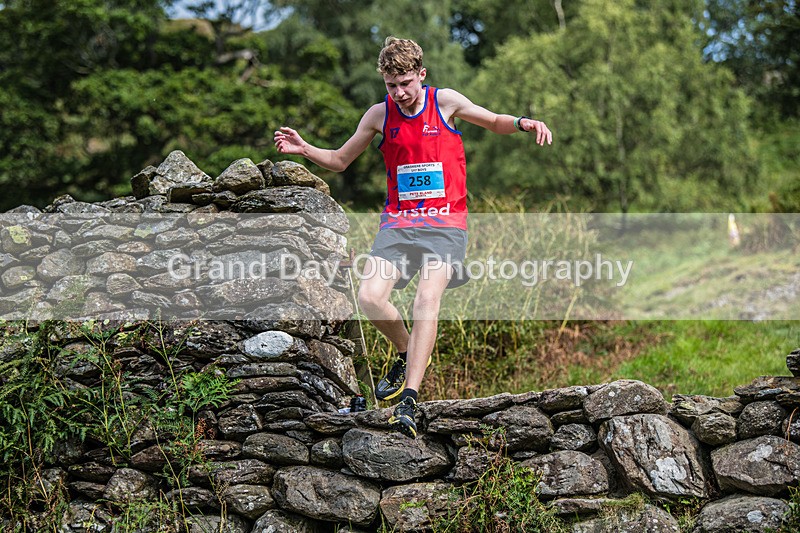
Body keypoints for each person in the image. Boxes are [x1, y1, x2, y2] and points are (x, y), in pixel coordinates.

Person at [274, 37, 552, 438]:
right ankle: (406, 351)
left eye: (406, 82)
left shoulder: (446, 103)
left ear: (421, 74)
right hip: (398, 225)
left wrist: (524, 122)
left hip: (445, 225)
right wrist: (304, 149)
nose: (400, 93)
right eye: (392, 85)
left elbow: (492, 122)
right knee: (370, 297)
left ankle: (409, 398)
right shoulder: (378, 115)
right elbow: (339, 160)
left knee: (426, 299)